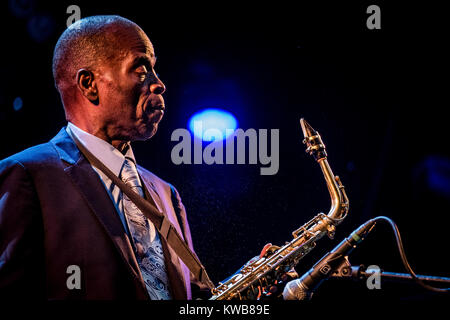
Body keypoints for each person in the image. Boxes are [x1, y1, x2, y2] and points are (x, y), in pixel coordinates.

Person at [0, 15, 208, 300]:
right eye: (141, 69)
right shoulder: (26, 175)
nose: (159, 84)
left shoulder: (166, 193)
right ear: (89, 84)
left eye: (154, 70)